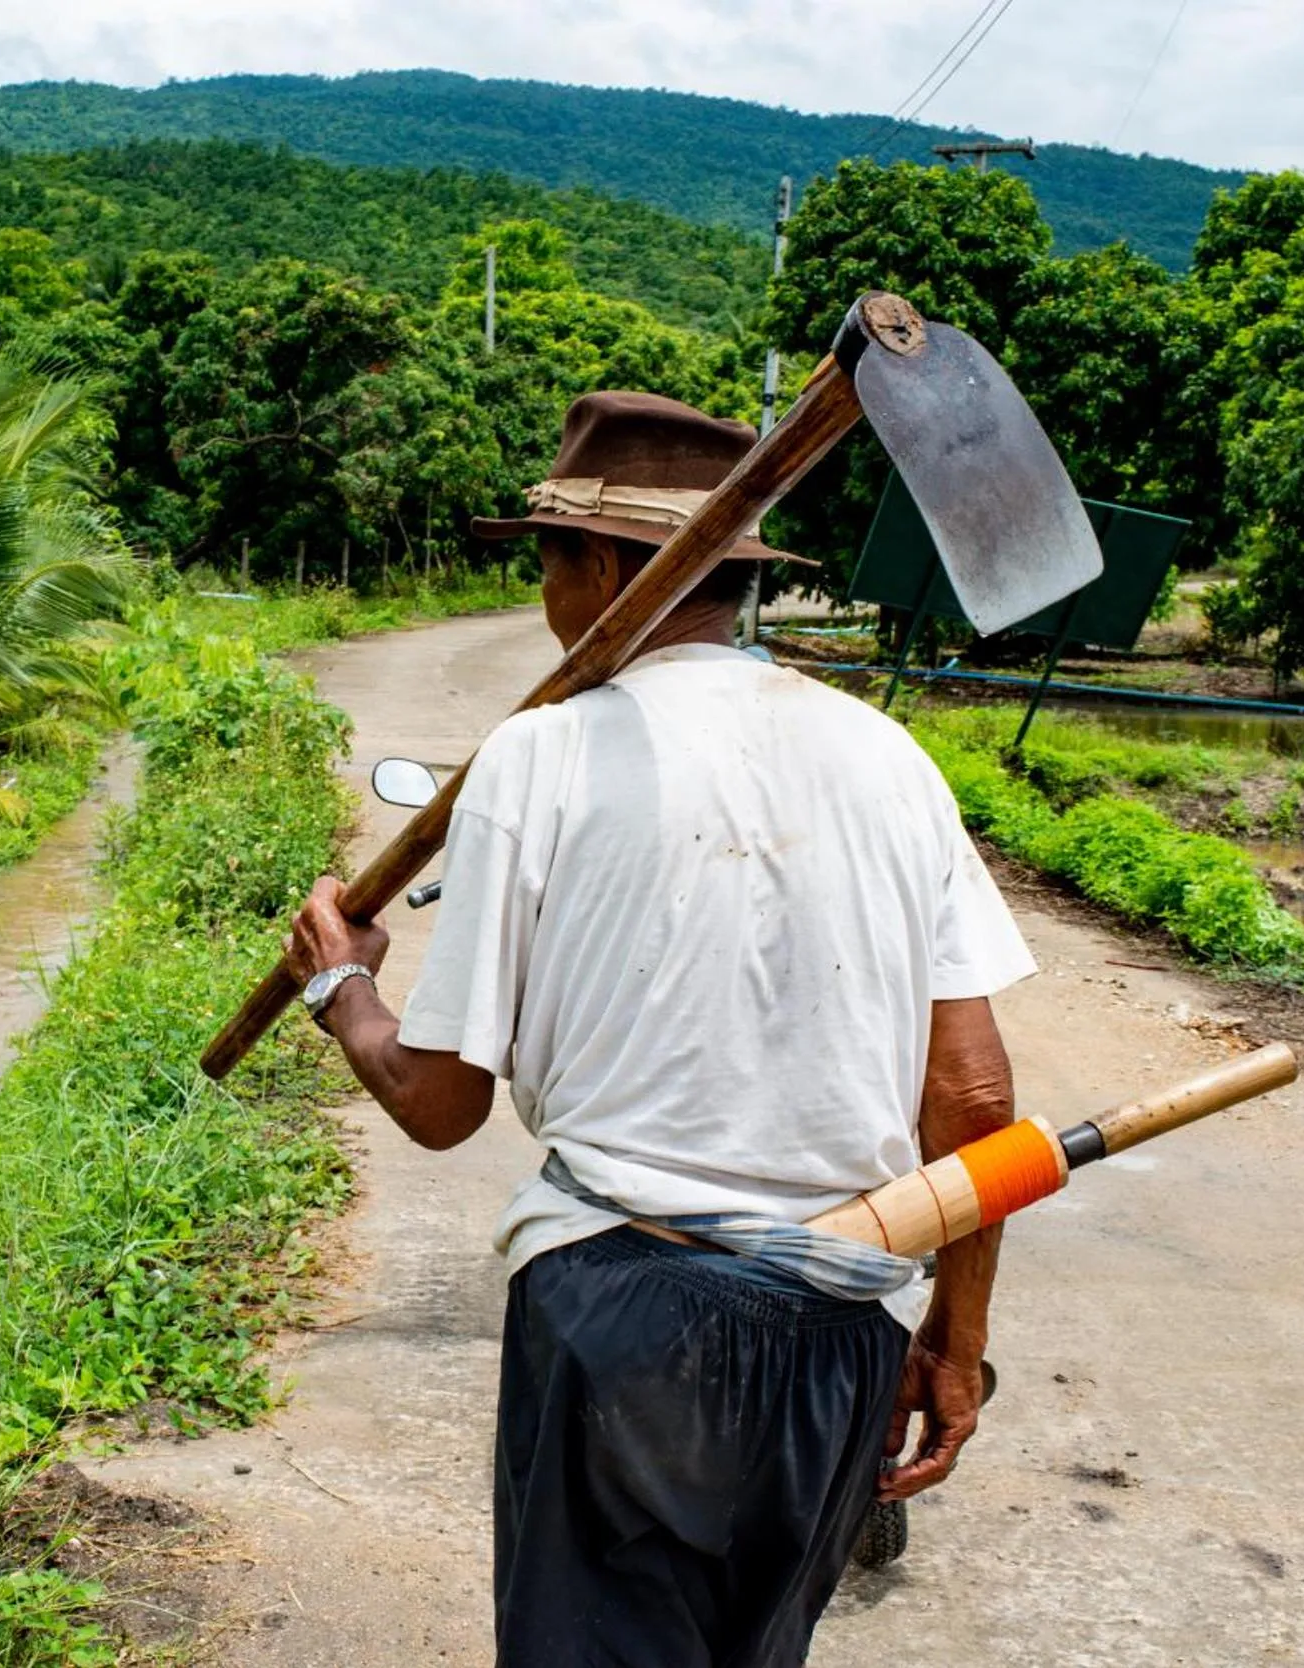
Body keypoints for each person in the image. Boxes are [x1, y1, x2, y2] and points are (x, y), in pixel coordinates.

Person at [283, 391, 1038, 1667]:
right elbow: (971, 1104)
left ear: (592, 565)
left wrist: (340, 990)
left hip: (622, 1312)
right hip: (843, 1323)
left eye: (544, 561)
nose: (542, 594)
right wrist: (953, 1342)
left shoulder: (534, 756)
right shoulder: (889, 757)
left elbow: (440, 1104)